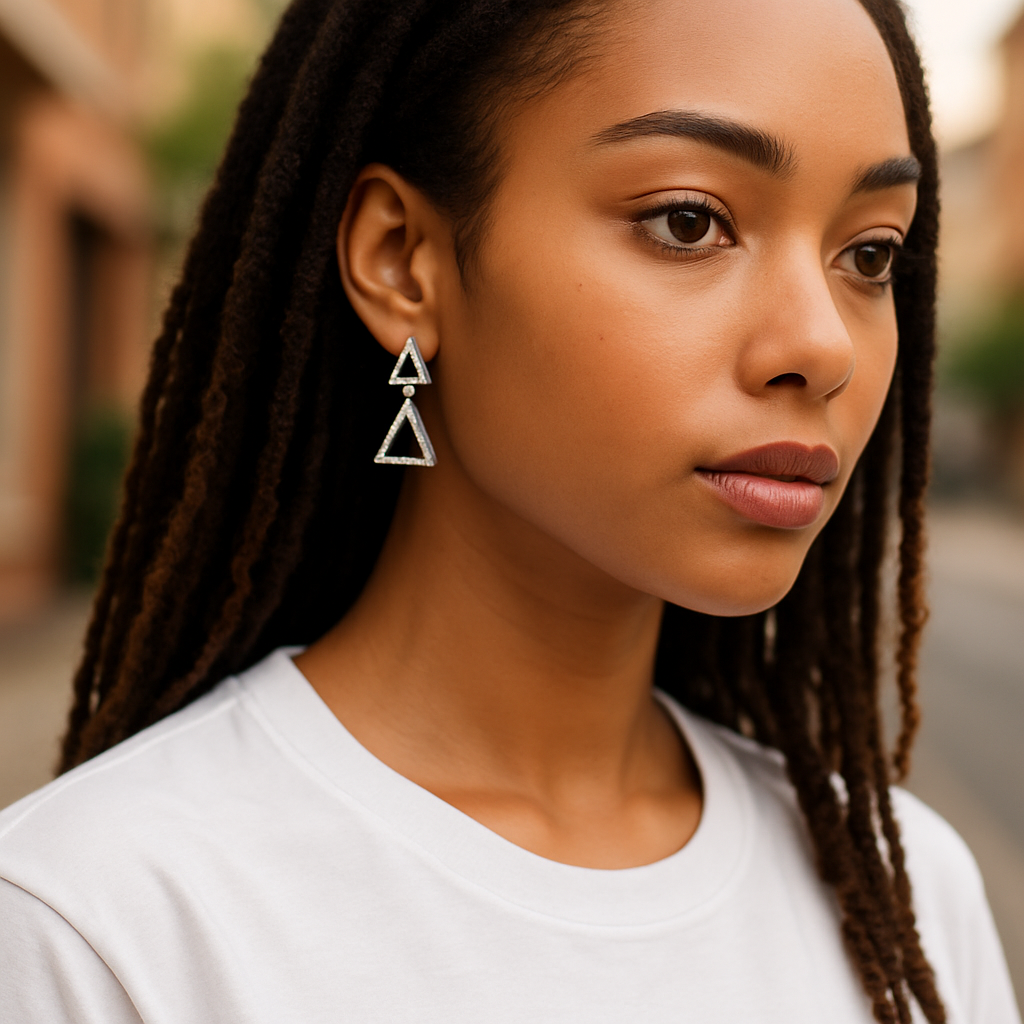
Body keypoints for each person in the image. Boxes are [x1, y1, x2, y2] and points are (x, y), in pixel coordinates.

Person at [0, 0, 1019, 1021]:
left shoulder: (907, 901)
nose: (823, 344)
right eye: (687, 220)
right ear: (403, 259)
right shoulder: (96, 923)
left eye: (870, 254)